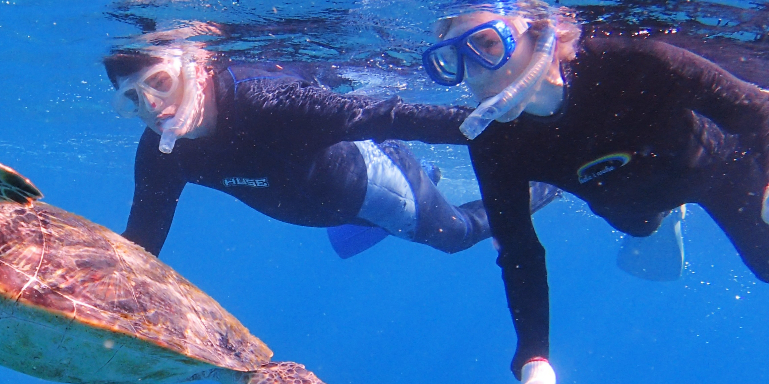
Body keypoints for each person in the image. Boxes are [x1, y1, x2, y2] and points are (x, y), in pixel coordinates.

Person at [422, 2, 769, 384]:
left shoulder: (634, 59)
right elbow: (519, 250)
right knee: (635, 220)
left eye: (487, 44)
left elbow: (754, 108)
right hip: (619, 196)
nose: (475, 71)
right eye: (452, 59)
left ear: (539, 33)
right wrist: (534, 361)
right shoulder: (494, 141)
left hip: (719, 171)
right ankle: (660, 221)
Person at [105, 37, 558, 262]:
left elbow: (392, 116)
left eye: (159, 82)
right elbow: (142, 245)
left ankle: (548, 184)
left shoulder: (267, 102)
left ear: (199, 67)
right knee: (346, 242)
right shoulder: (159, 151)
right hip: (325, 208)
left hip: (375, 184)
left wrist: (513, 131)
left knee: (454, 236)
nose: (152, 106)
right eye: (132, 100)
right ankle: (427, 177)